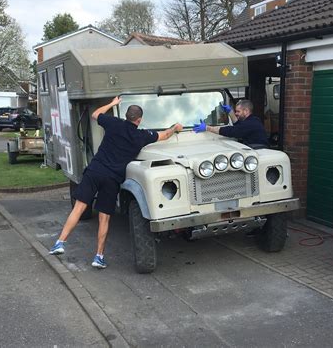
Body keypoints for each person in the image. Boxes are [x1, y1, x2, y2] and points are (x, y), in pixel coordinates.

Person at [49, 96, 183, 269]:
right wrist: (175, 128)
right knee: (104, 219)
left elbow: (96, 114)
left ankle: (60, 242)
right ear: (139, 120)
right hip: (112, 179)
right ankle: (98, 257)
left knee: (79, 207)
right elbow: (164, 135)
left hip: (95, 171)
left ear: (126, 116)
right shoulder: (141, 136)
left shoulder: (113, 123)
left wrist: (112, 104)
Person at [193, 99, 268, 147]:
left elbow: (231, 131)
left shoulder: (250, 124)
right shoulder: (253, 120)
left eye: (238, 111)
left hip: (258, 150)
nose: (236, 113)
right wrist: (230, 112)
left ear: (246, 111)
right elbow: (239, 126)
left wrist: (207, 128)